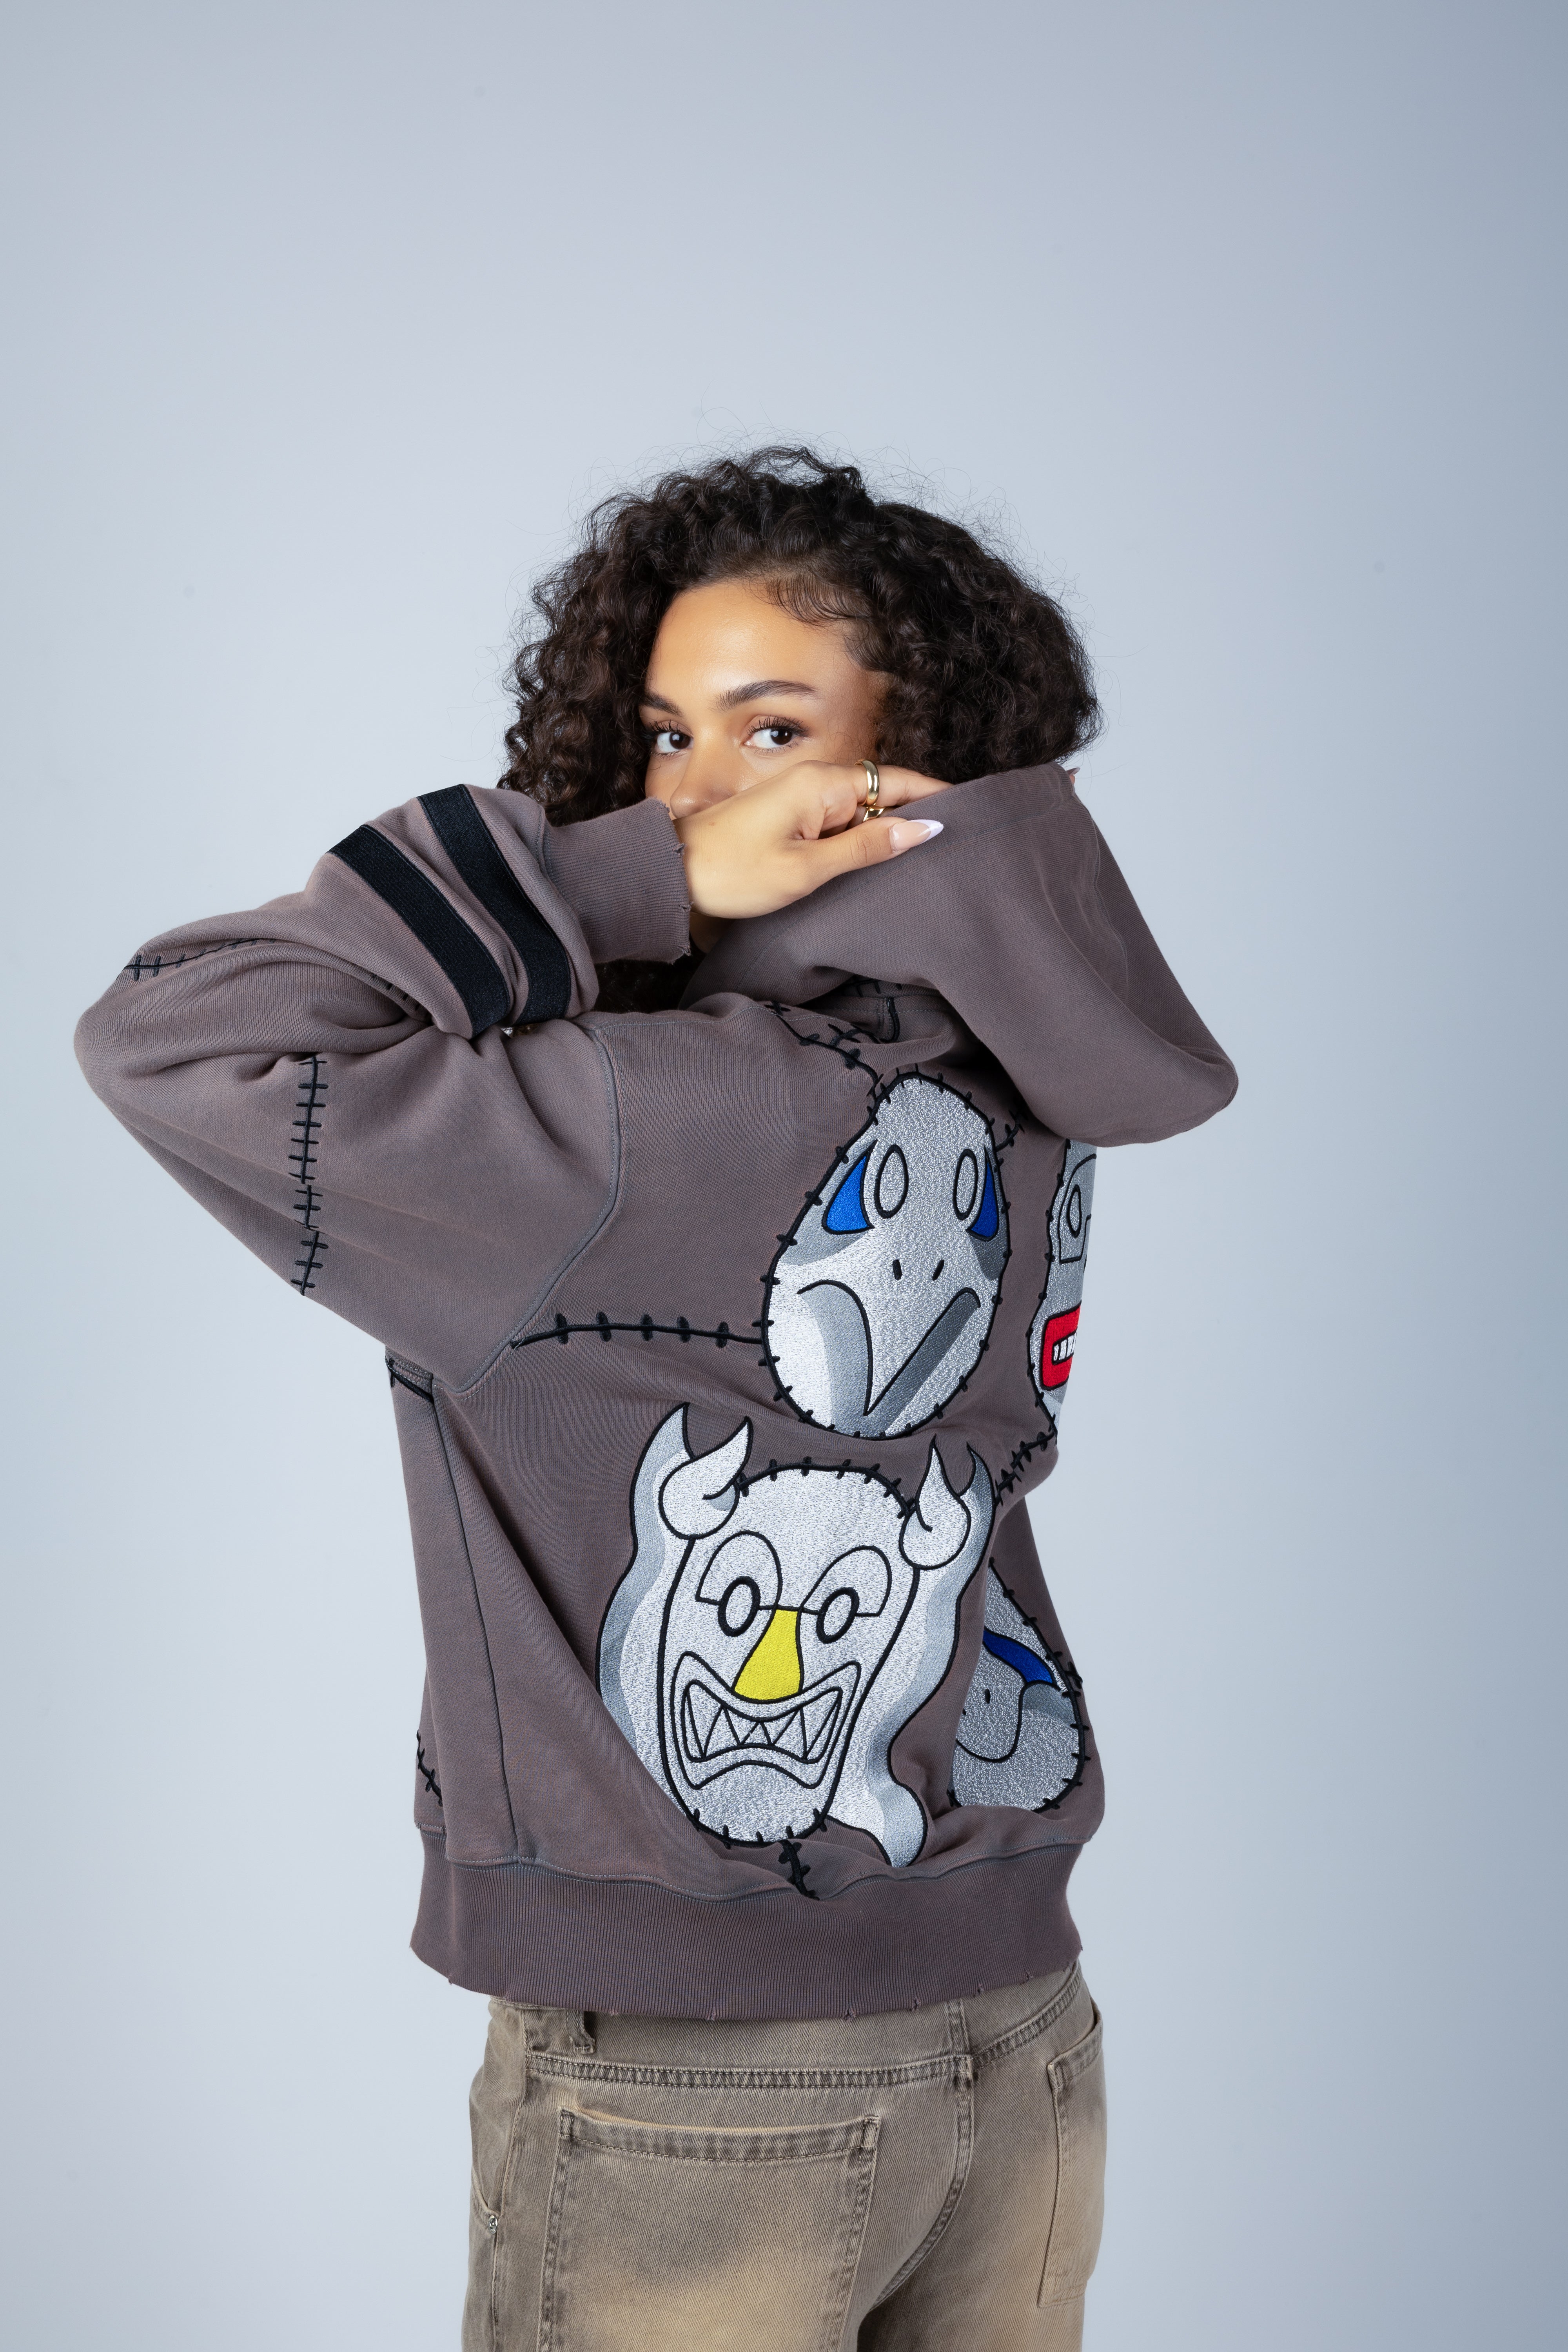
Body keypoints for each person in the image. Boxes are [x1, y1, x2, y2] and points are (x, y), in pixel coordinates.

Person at [76, 447, 1236, 2350]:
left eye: (773, 732)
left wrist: (622, 882)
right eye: (663, 741)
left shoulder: (612, 1121)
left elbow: (173, 1026)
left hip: (701, 2080)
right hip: (1016, 2037)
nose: (697, 794)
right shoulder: (1018, 1091)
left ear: (911, 774)